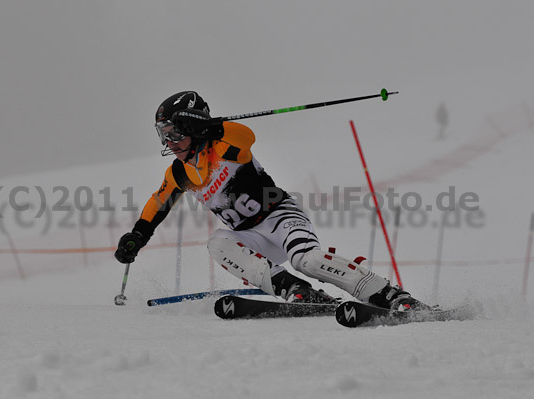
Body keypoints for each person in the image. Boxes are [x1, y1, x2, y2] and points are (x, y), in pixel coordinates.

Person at [114, 91, 423, 310]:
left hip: (280, 218)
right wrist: (137, 236)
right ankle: (294, 289)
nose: (169, 142)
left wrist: (213, 127)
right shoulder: (179, 172)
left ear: (194, 128)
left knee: (308, 260)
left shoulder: (224, 146)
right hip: (250, 236)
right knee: (218, 243)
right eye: (163, 135)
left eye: (174, 133)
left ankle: (389, 294)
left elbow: (246, 137)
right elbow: (159, 203)